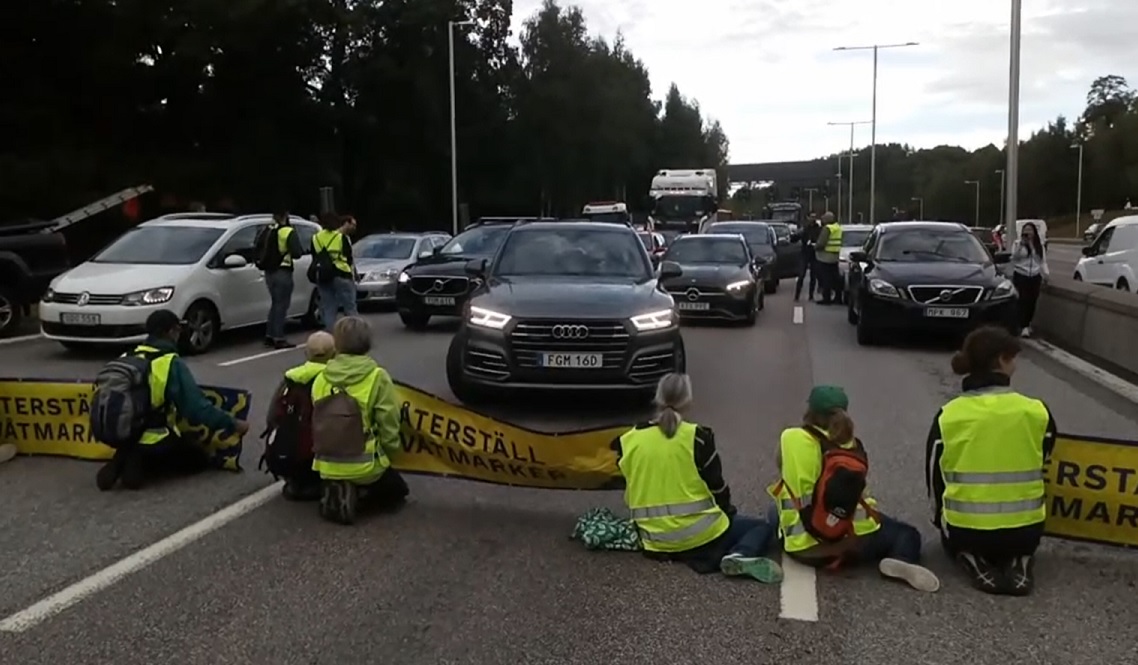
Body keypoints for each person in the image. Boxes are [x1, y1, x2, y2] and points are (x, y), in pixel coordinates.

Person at [612, 373, 784, 583]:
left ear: (657, 398)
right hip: (701, 536)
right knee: (761, 527)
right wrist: (727, 512)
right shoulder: (698, 437)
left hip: (653, 540)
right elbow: (718, 488)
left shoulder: (628, 440)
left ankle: (726, 553)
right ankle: (740, 554)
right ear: (688, 401)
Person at [769, 385, 940, 592]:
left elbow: (782, 468)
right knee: (907, 533)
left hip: (799, 548)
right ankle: (902, 558)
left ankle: (783, 536)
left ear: (810, 411)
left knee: (775, 510)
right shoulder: (851, 444)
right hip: (844, 543)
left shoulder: (790, 437)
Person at [926, 325, 1055, 596]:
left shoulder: (949, 415)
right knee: (1021, 540)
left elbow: (934, 475)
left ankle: (972, 558)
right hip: (1026, 531)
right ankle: (1021, 559)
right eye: (1014, 359)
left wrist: (940, 519)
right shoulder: (1037, 411)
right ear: (1002, 360)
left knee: (959, 538)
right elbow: (1045, 457)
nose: (1016, 366)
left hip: (967, 531)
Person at [95, 310, 250, 491]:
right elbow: (195, 409)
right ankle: (142, 463)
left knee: (141, 435)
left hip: (123, 432)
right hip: (155, 435)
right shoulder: (170, 362)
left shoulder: (129, 356)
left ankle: (124, 457)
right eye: (178, 330)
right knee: (198, 459)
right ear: (171, 332)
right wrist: (233, 423)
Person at [312, 316, 407, 524]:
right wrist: (392, 453)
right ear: (367, 343)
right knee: (398, 491)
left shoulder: (321, 378)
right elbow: (389, 422)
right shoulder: (377, 376)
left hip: (326, 464)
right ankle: (362, 496)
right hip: (366, 465)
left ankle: (339, 487)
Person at [263, 331, 336, 501]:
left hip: (288, 456)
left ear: (306, 354)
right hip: (322, 459)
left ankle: (296, 481)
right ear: (334, 354)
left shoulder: (291, 379)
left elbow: (271, 418)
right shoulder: (334, 380)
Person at [261, 209, 304, 349]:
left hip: (269, 272)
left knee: (275, 303)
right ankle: (279, 337)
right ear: (285, 216)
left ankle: (269, 335)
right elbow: (297, 253)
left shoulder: (267, 230)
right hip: (283, 270)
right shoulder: (287, 231)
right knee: (282, 305)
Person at [311, 213, 358, 331]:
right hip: (342, 273)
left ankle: (330, 333)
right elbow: (348, 257)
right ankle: (354, 333)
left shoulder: (316, 238)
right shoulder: (340, 237)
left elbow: (314, 256)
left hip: (323, 275)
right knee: (350, 307)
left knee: (328, 307)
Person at [1010, 222, 1049, 338]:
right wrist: (1022, 246)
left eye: (1030, 230)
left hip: (1035, 276)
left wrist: (1046, 274)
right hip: (1021, 274)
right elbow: (1014, 258)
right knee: (1023, 300)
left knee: (1032, 301)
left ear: (1034, 232)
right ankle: (1023, 326)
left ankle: (1027, 323)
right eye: (1025, 230)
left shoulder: (1039, 246)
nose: (1028, 232)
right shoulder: (1017, 244)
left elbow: (1041, 261)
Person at [812, 212, 842, 305]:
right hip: (835, 256)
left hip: (825, 256)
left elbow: (821, 243)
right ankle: (838, 297)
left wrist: (814, 247)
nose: (822, 220)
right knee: (835, 278)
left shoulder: (827, 228)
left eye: (824, 219)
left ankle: (827, 298)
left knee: (826, 279)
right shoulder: (837, 227)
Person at [792, 214, 822, 301]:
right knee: (801, 275)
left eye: (814, 217)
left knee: (813, 276)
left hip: (814, 254)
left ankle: (811, 295)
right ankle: (797, 295)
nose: (813, 218)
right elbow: (796, 238)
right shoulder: (805, 228)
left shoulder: (818, 229)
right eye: (811, 217)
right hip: (804, 253)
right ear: (808, 218)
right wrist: (793, 237)